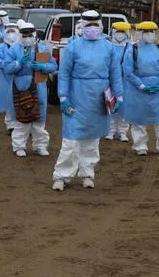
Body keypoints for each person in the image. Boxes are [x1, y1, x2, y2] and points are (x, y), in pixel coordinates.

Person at [52, 10, 123, 191]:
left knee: (92, 139)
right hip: (77, 95)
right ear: (82, 26)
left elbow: (115, 73)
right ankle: (62, 176)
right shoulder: (73, 46)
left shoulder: (108, 48)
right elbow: (64, 73)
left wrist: (119, 96)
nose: (92, 28)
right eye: (88, 25)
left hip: (99, 98)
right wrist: (63, 97)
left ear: (100, 25)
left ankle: (87, 174)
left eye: (95, 24)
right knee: (71, 139)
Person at [4, 22, 57, 157]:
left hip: (39, 86)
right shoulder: (14, 50)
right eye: (24, 35)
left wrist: (42, 67)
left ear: (34, 35)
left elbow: (53, 66)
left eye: (30, 35)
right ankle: (19, 146)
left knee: (39, 119)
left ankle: (40, 146)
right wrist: (18, 63)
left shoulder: (43, 49)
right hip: (20, 87)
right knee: (21, 120)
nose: (27, 38)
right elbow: (7, 68)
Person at [122, 21, 159, 156]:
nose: (148, 35)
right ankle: (140, 146)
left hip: (158, 90)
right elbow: (128, 71)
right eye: (144, 32)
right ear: (138, 33)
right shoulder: (133, 50)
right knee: (138, 120)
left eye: (151, 32)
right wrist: (140, 85)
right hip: (138, 90)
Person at [105, 21, 131, 142]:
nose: (120, 35)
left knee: (124, 107)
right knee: (110, 104)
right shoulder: (107, 46)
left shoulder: (131, 48)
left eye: (123, 32)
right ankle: (110, 131)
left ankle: (122, 132)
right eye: (117, 32)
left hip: (126, 82)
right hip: (110, 81)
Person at [0, 22, 20, 134]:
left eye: (13, 31)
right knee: (8, 102)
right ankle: (10, 125)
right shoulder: (1, 47)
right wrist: (8, 65)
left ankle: (20, 125)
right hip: (5, 78)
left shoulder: (21, 46)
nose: (11, 34)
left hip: (19, 78)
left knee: (20, 101)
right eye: (8, 31)